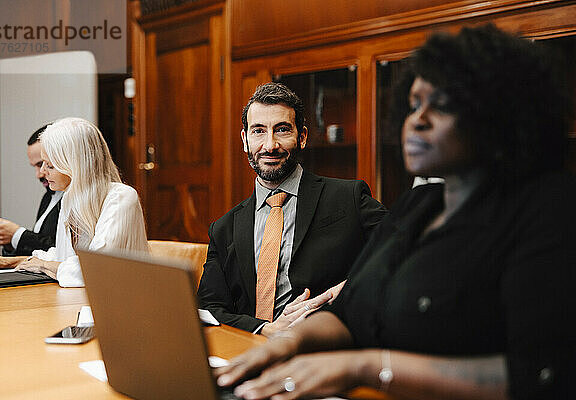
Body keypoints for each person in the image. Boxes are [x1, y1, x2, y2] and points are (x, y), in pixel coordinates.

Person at [214, 25, 576, 400]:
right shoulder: (417, 206)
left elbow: (544, 373)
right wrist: (282, 345)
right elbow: (348, 315)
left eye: (443, 105)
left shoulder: (550, 209)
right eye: (415, 104)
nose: (417, 120)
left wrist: (366, 367)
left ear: (500, 115)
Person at [197, 82, 387, 336]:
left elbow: (407, 247)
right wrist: (264, 329)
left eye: (282, 130)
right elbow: (208, 309)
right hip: (251, 352)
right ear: (245, 140)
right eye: (258, 131)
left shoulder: (347, 198)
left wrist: (345, 289)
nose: (270, 145)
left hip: (325, 350)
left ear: (302, 137)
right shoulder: (224, 228)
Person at [0, 117, 149, 287]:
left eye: (50, 165)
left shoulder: (121, 197)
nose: (42, 172)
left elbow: (95, 268)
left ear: (74, 165)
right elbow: (62, 258)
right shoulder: (70, 198)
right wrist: (6, 262)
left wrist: (43, 265)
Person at [0, 124, 62, 256]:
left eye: (44, 164)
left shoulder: (80, 198)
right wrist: (11, 243)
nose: (39, 174)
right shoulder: (48, 196)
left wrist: (18, 234)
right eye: (36, 166)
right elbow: (39, 254)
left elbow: (64, 252)